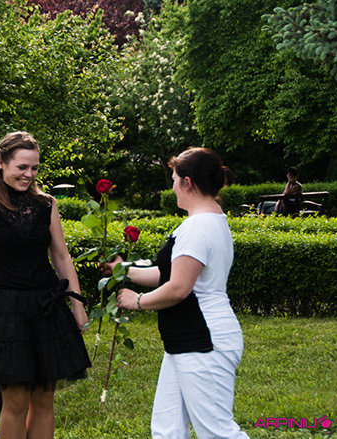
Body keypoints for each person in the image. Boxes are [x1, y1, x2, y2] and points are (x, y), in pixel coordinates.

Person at [0, 131, 91, 439]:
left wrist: (78, 305)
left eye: (34, 168)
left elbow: (61, 256)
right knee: (15, 400)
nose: (29, 174)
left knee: (44, 398)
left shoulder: (47, 204)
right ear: (1, 163)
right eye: (22, 167)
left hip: (46, 309)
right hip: (5, 311)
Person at [115, 147, 248, 438]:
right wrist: (123, 270)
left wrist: (137, 301)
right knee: (167, 429)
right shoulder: (209, 220)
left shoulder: (197, 227)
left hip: (203, 340)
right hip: (187, 339)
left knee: (217, 432)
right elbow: (170, 274)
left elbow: (178, 288)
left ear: (188, 182)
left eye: (174, 180)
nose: (172, 187)